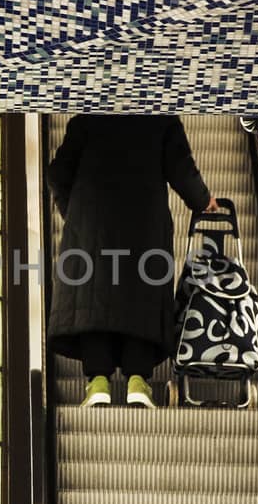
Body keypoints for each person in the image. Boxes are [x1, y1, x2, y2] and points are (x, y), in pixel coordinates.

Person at [47, 114, 218, 407]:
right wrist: (202, 200)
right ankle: (138, 382)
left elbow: (58, 173)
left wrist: (73, 210)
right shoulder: (160, 119)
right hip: (144, 224)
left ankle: (98, 383)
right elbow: (180, 167)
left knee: (92, 298)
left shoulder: (87, 118)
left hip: (91, 224)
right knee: (141, 298)